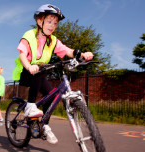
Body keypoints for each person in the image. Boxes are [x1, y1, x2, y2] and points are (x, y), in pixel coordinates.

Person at [12, 4, 94, 144]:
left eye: (55, 23)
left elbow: (67, 51)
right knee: (38, 69)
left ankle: (45, 125)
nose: (52, 26)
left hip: (40, 73)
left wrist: (82, 54)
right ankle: (30, 105)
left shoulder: (53, 41)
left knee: (52, 95)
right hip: (26, 71)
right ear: (39, 21)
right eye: (49, 22)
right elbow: (22, 55)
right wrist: (29, 66)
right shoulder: (29, 35)